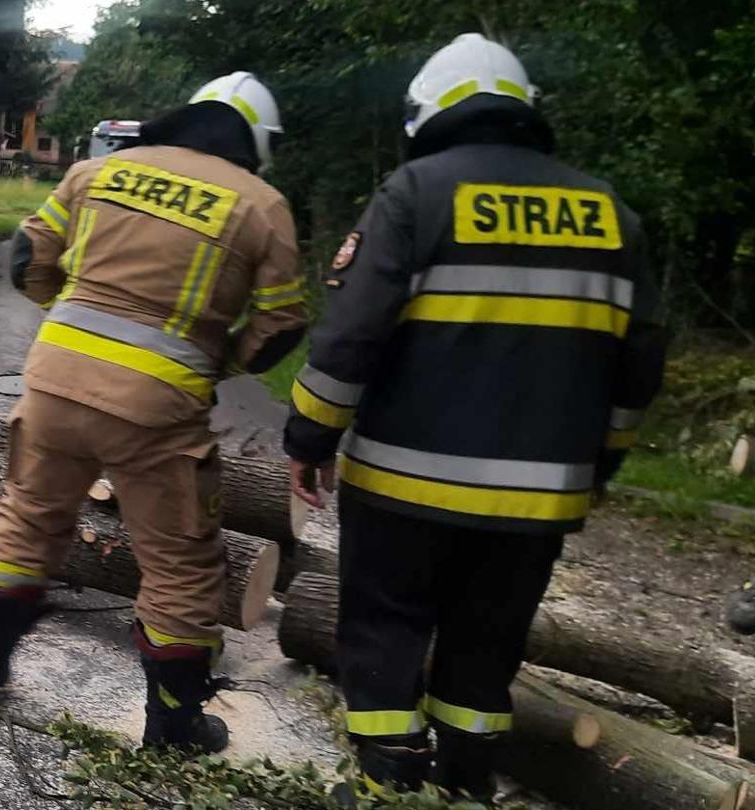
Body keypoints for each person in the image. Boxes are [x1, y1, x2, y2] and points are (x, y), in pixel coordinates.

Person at [284, 33, 666, 800]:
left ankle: (390, 787)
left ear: (429, 114)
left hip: (404, 488)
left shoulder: (416, 193)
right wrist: (601, 465)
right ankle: (464, 786)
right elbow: (640, 367)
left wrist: (310, 436)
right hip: (538, 502)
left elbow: (352, 336)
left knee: (386, 631)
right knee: (485, 648)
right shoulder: (612, 216)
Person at [0, 72, 308, 753]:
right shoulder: (261, 205)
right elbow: (282, 324)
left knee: (26, 521)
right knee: (181, 564)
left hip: (54, 383)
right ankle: (175, 727)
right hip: (159, 407)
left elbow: (28, 258)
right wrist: (217, 360)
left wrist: (71, 323)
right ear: (256, 142)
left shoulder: (100, 171)